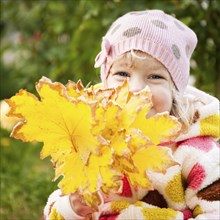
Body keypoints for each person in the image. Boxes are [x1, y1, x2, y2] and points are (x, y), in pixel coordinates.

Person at [44, 9, 219, 220]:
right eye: (122, 74)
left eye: (155, 76)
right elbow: (55, 209)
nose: (136, 88)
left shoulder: (195, 151)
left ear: (175, 92)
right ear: (105, 85)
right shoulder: (93, 142)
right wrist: (71, 208)